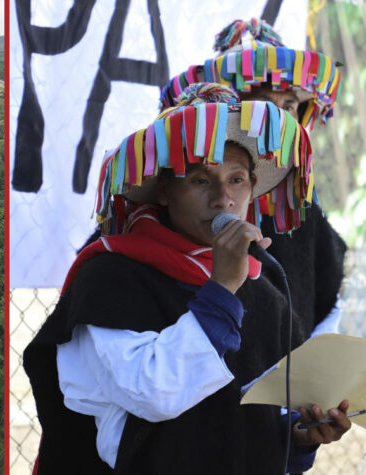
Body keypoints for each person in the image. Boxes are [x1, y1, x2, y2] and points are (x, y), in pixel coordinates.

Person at [24, 84, 352, 474]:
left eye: (236, 180)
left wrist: (295, 437)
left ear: (252, 188)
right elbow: (154, 393)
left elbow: (243, 422)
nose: (222, 199)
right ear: (164, 190)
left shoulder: (264, 290)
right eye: (200, 180)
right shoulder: (110, 277)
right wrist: (222, 290)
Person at [158, 18, 347, 340]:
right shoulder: (174, 209)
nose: (277, 120)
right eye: (262, 105)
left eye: (288, 107)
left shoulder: (301, 211)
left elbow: (327, 308)